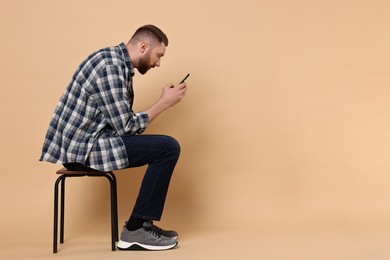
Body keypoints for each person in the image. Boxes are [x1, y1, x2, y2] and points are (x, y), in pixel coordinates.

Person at [39, 25, 187, 251]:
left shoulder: (116, 62)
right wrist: (163, 103)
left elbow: (120, 123)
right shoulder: (110, 67)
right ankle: (136, 229)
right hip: (83, 149)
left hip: (88, 142)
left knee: (166, 147)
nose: (158, 63)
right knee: (168, 147)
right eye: (158, 56)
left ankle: (142, 224)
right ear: (143, 46)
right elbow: (126, 127)